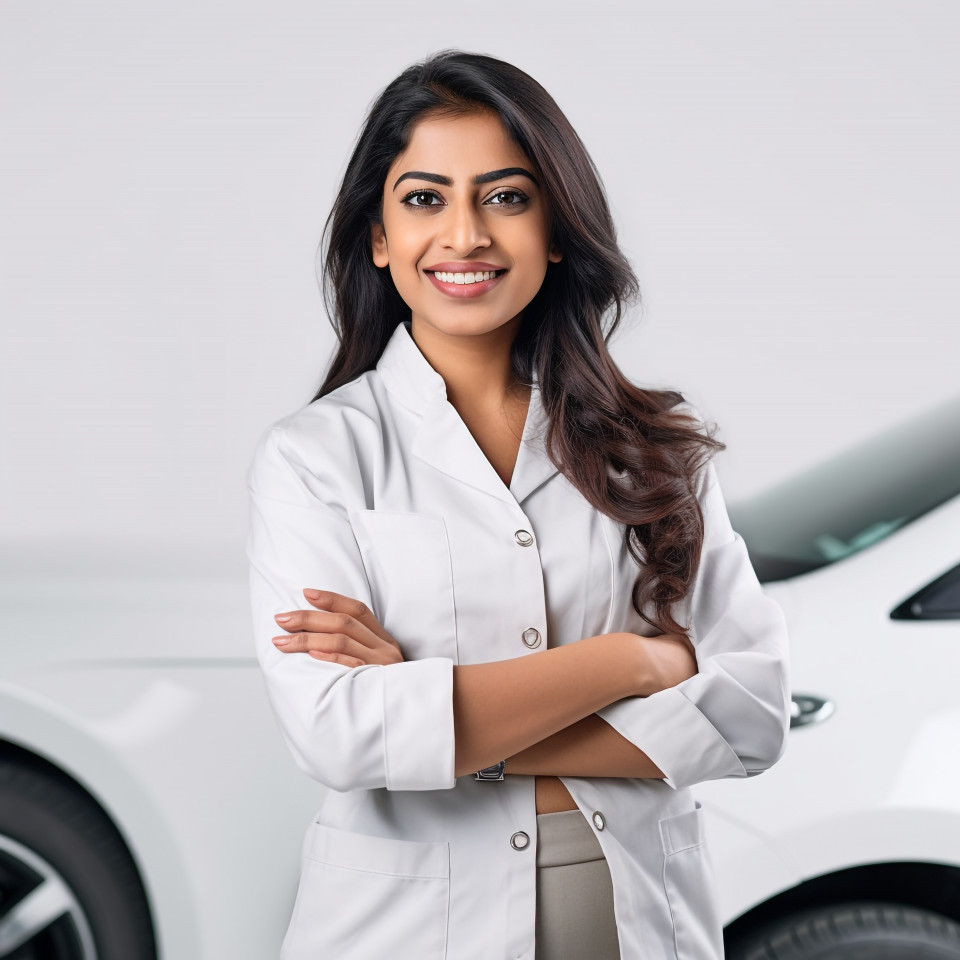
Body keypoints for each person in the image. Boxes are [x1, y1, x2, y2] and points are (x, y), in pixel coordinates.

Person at [246, 48, 791, 960]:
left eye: (505, 196)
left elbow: (753, 714)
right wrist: (633, 661)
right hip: (402, 933)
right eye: (425, 199)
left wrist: (440, 717)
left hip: (630, 912)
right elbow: (339, 734)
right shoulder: (315, 459)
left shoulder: (654, 452)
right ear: (378, 237)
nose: (464, 235)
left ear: (557, 229)